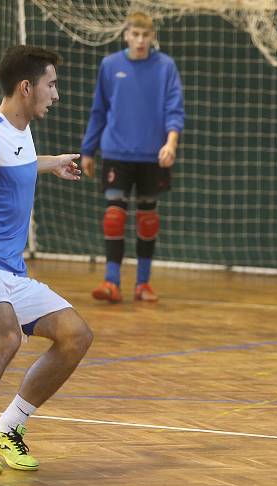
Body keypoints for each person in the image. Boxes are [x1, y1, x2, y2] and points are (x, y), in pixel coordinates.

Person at [0, 45, 93, 478]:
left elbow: (14, 161)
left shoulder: (19, 132)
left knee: (76, 335)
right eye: (51, 84)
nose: (56, 94)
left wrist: (51, 163)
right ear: (27, 87)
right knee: (4, 338)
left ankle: (6, 430)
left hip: (11, 272)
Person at [81, 11, 185, 303]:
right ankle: (111, 282)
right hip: (116, 153)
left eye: (145, 35)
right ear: (126, 34)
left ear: (153, 37)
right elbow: (98, 110)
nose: (140, 40)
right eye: (135, 34)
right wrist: (88, 151)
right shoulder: (110, 65)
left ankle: (143, 283)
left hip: (153, 156)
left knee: (148, 218)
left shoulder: (166, 67)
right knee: (114, 215)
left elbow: (174, 109)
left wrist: (171, 143)